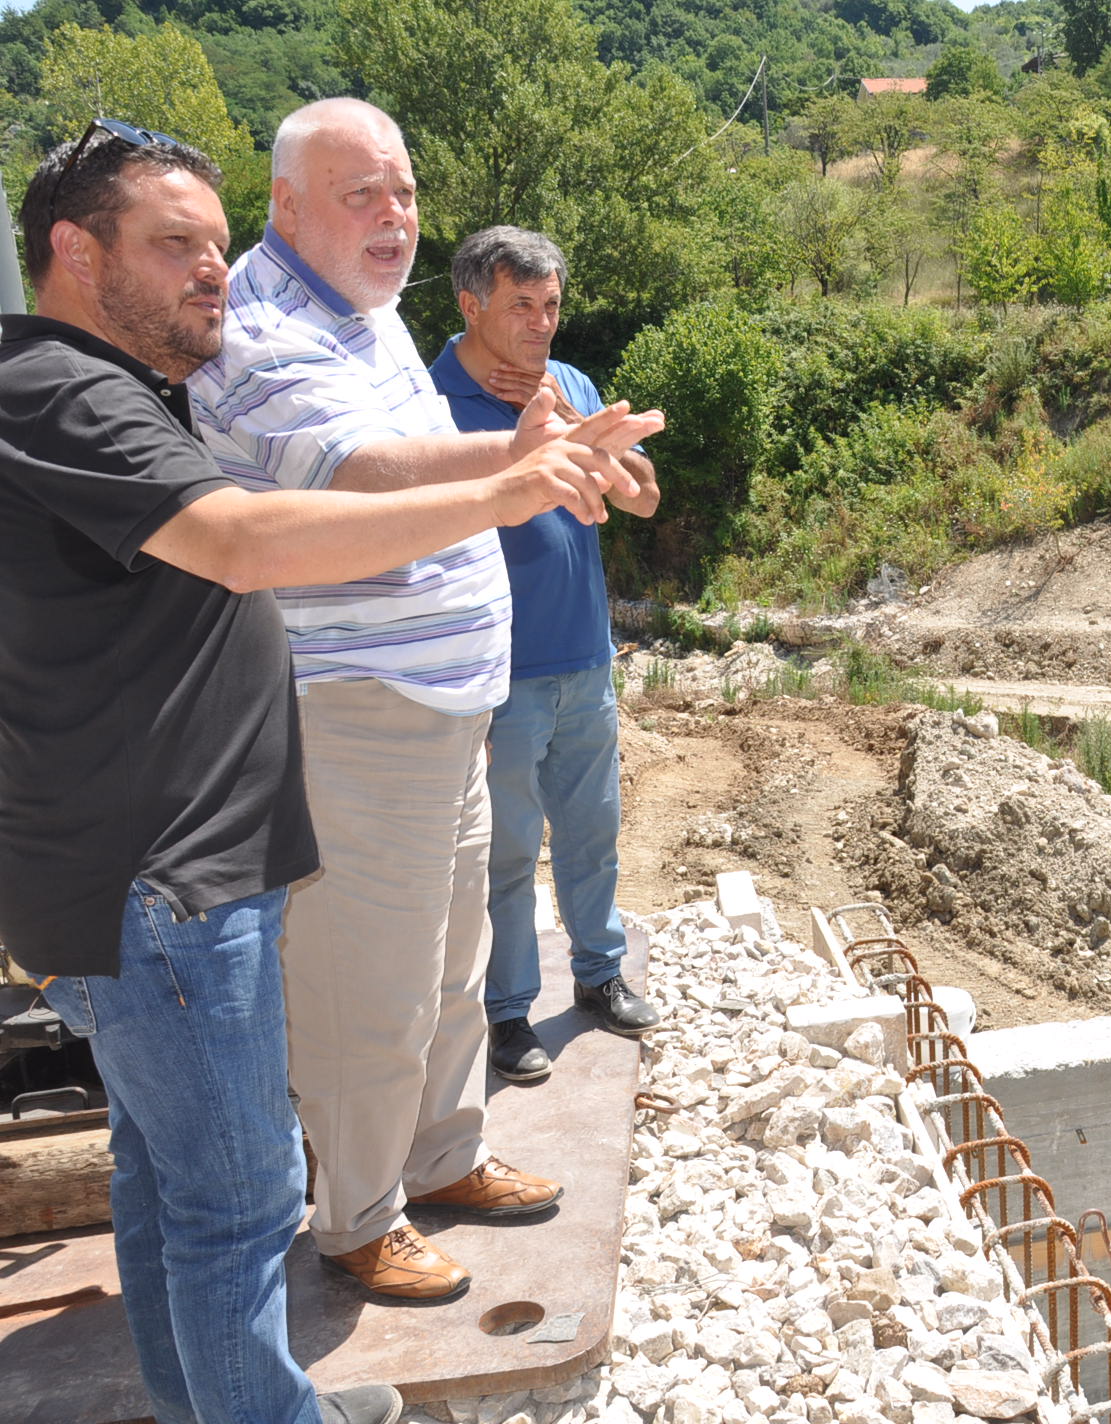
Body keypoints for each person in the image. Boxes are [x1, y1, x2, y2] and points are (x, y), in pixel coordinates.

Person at [1, 122, 620, 1424]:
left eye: (215, 246)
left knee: (175, 1185)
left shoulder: (137, 381)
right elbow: (251, 533)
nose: (209, 274)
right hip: (162, 868)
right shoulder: (61, 391)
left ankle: (224, 1394)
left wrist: (501, 462)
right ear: (73, 250)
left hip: (178, 845)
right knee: (239, 1195)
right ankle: (283, 1374)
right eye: (174, 245)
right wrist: (499, 491)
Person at [186, 97, 662, 1301]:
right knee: (366, 986)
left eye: (403, 191)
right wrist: (513, 465)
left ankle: (443, 1153)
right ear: (286, 205)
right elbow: (355, 469)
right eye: (362, 194)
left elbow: (414, 442)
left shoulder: (365, 309)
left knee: (451, 961)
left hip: (444, 699)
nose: (393, 215)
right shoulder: (259, 331)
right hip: (357, 710)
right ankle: (355, 1215)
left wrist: (528, 450)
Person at [429, 226, 663, 1083]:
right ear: (470, 303)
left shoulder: (570, 383)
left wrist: (569, 421)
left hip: (584, 656)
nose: (541, 324)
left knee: (591, 830)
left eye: (552, 305)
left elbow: (641, 496)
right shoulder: (432, 398)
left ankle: (600, 976)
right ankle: (507, 1012)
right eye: (521, 305)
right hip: (497, 672)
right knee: (504, 851)